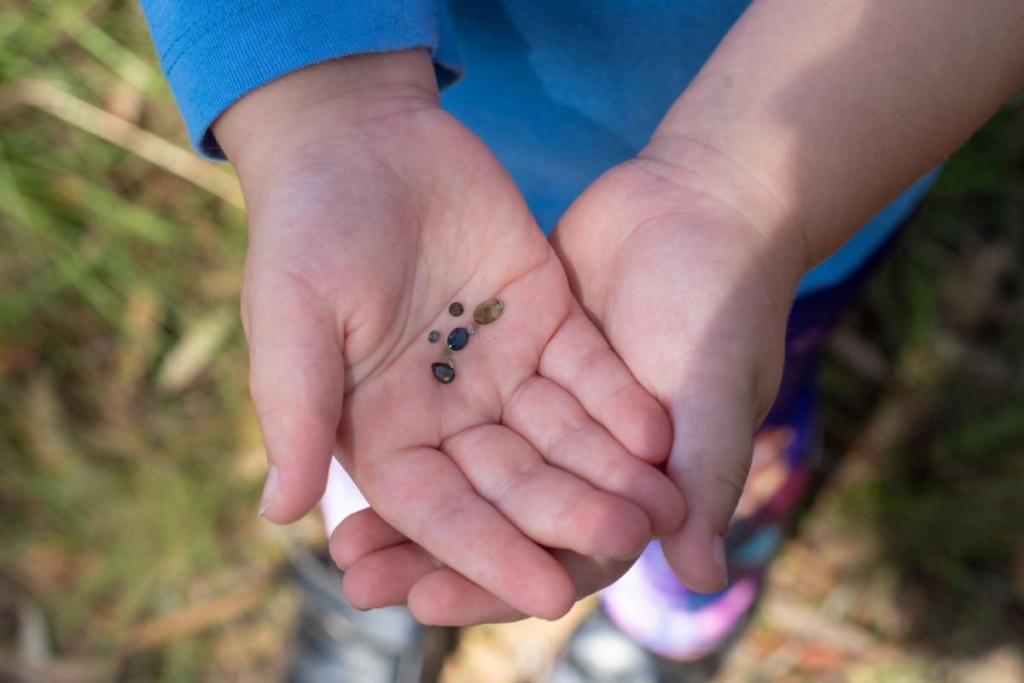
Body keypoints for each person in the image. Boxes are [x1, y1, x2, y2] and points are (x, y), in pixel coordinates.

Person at [140, 0, 1024, 677]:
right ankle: (383, 523)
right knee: (371, 387)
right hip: (425, 144)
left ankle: (671, 610)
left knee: (703, 428)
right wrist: (320, 99)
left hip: (806, 170)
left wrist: (741, 190)